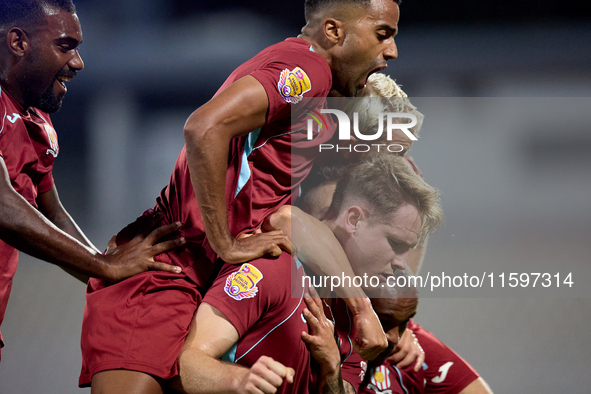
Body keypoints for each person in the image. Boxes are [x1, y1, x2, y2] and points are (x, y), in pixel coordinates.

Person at [80, 0, 402, 391]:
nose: (392, 51)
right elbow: (203, 127)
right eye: (383, 34)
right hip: (166, 269)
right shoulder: (310, 70)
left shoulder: (307, 116)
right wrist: (226, 244)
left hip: (194, 272)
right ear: (334, 32)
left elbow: (287, 219)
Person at [0, 0, 185, 362]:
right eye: (65, 46)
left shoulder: (37, 121)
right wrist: (103, 266)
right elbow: (3, 205)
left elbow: (52, 212)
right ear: (19, 43)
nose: (77, 63)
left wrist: (106, 269)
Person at [170, 153, 443, 394]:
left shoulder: (359, 315)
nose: (402, 263)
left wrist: (333, 367)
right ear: (354, 220)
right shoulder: (274, 268)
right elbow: (185, 364)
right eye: (395, 243)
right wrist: (238, 379)